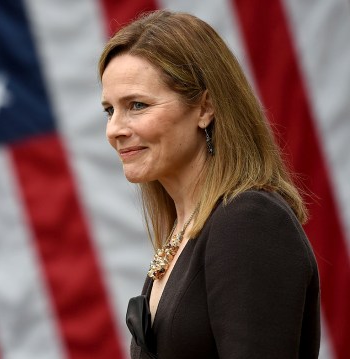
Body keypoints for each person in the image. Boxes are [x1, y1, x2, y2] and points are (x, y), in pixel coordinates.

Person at [98, 10, 320, 359]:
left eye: (137, 105)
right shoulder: (183, 232)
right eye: (110, 110)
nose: (115, 130)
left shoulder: (249, 220)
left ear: (205, 107)